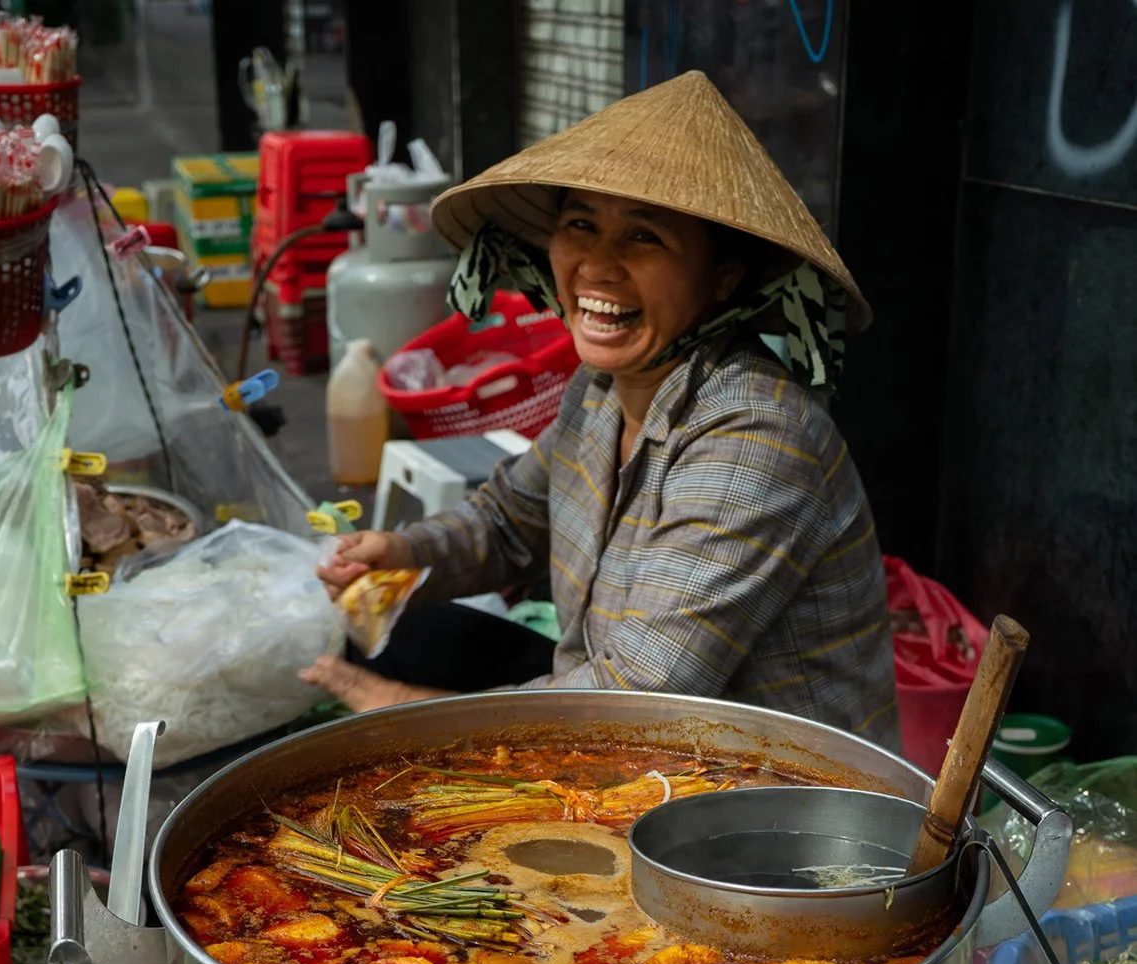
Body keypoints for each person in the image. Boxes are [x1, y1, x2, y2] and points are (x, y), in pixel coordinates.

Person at [300, 70, 900, 747]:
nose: (597, 266)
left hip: (752, 795)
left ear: (723, 278)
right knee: (393, 637)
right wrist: (401, 550)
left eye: (644, 237)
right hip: (628, 723)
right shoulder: (603, 389)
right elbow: (509, 523)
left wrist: (406, 713)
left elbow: (640, 698)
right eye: (580, 224)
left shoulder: (757, 435)